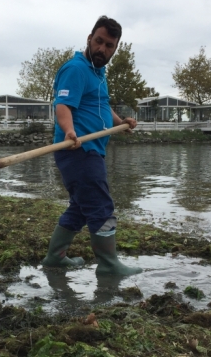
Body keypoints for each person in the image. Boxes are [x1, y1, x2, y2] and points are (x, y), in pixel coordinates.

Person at [41, 16, 143, 276]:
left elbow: (101, 106)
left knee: (81, 206)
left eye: (109, 46)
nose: (102, 49)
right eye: (99, 42)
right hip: (77, 150)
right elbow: (62, 104)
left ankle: (55, 257)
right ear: (89, 38)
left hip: (92, 150)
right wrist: (69, 130)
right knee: (101, 206)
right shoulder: (75, 69)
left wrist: (122, 123)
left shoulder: (98, 73)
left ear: (115, 49)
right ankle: (109, 265)